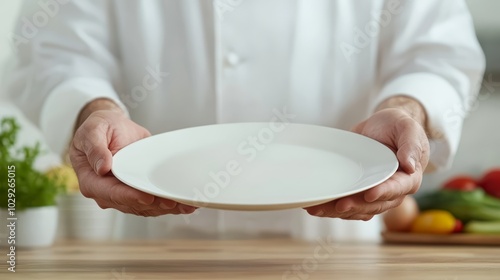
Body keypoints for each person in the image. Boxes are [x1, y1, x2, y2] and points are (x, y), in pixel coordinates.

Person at [8, 0, 484, 239]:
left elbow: (439, 54)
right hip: (153, 243)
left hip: (334, 241)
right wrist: (96, 113)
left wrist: (406, 109)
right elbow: (56, 53)